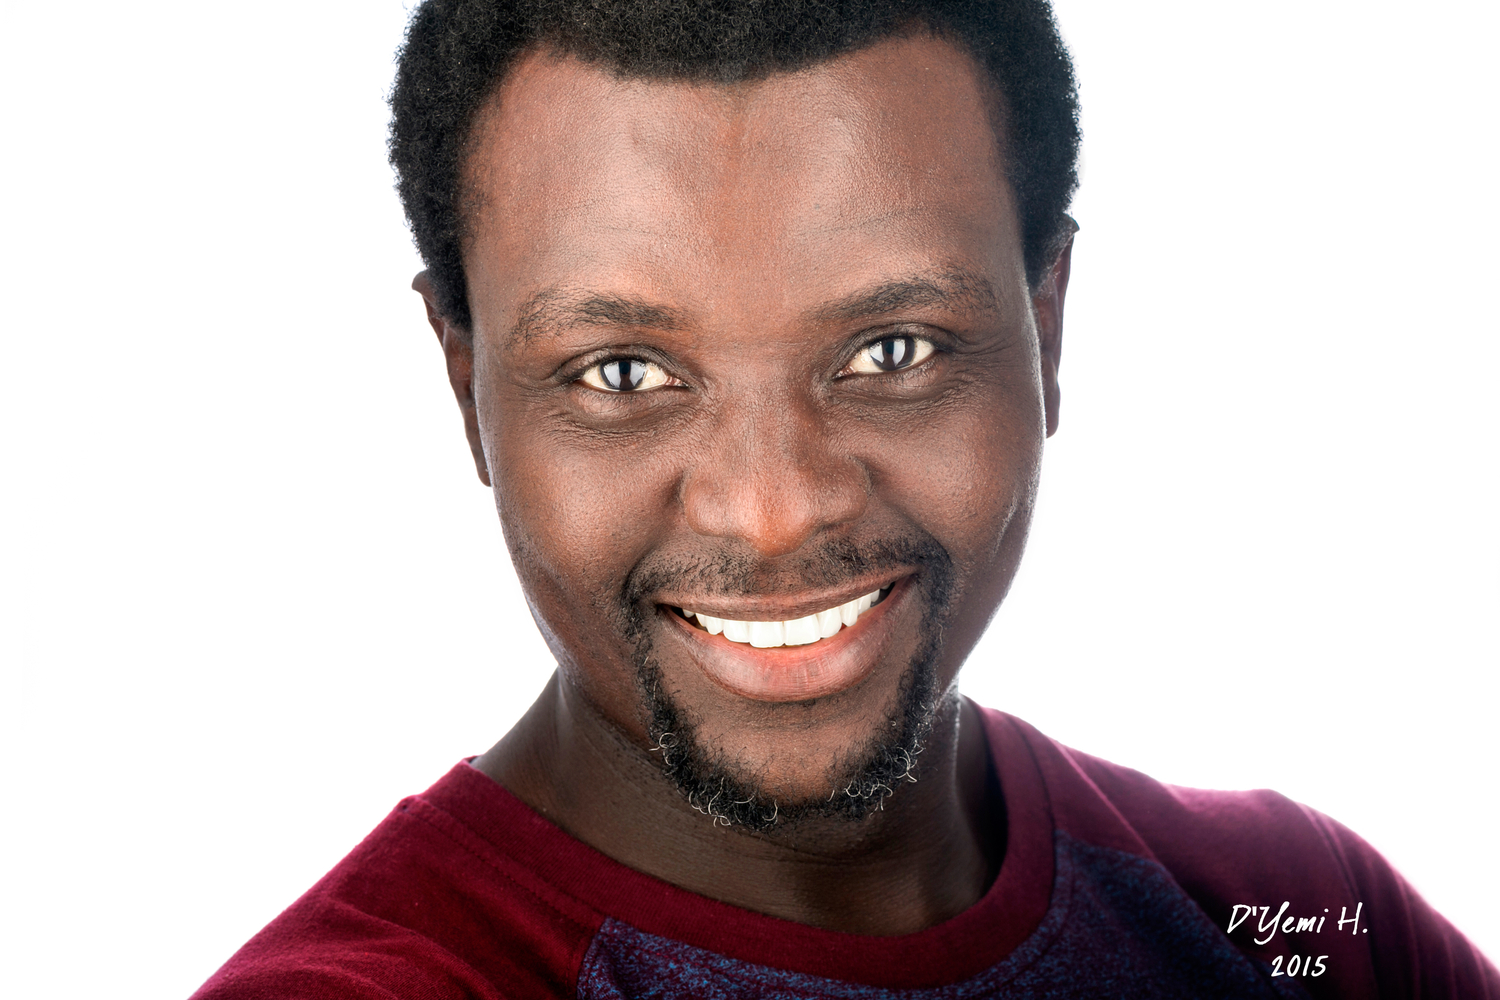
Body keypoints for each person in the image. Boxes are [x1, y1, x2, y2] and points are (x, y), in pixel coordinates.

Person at [191, 1, 1498, 997]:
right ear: (466, 385)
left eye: (891, 350)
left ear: (1046, 332)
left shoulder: (1298, 922)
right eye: (623, 371)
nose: (773, 509)